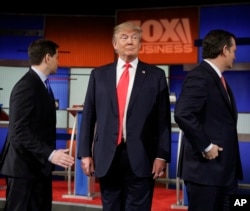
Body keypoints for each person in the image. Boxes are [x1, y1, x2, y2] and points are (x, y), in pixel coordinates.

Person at [77, 21, 171, 211]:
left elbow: (163, 120)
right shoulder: (99, 75)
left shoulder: (156, 75)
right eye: (124, 37)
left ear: (140, 45)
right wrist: (85, 153)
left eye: (135, 38)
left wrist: (162, 155)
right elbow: (88, 117)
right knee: (111, 206)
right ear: (114, 44)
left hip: (143, 155)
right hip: (107, 155)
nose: (130, 42)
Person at [0, 39, 75, 211]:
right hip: (23, 169)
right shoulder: (26, 86)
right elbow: (19, 129)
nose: (59, 61)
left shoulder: (41, 84)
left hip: (38, 168)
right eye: (57, 57)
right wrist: (50, 154)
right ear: (47, 58)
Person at [174, 29, 243, 211]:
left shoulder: (217, 78)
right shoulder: (199, 76)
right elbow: (183, 113)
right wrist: (206, 146)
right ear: (224, 50)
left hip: (224, 174)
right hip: (206, 174)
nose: (235, 56)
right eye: (234, 51)